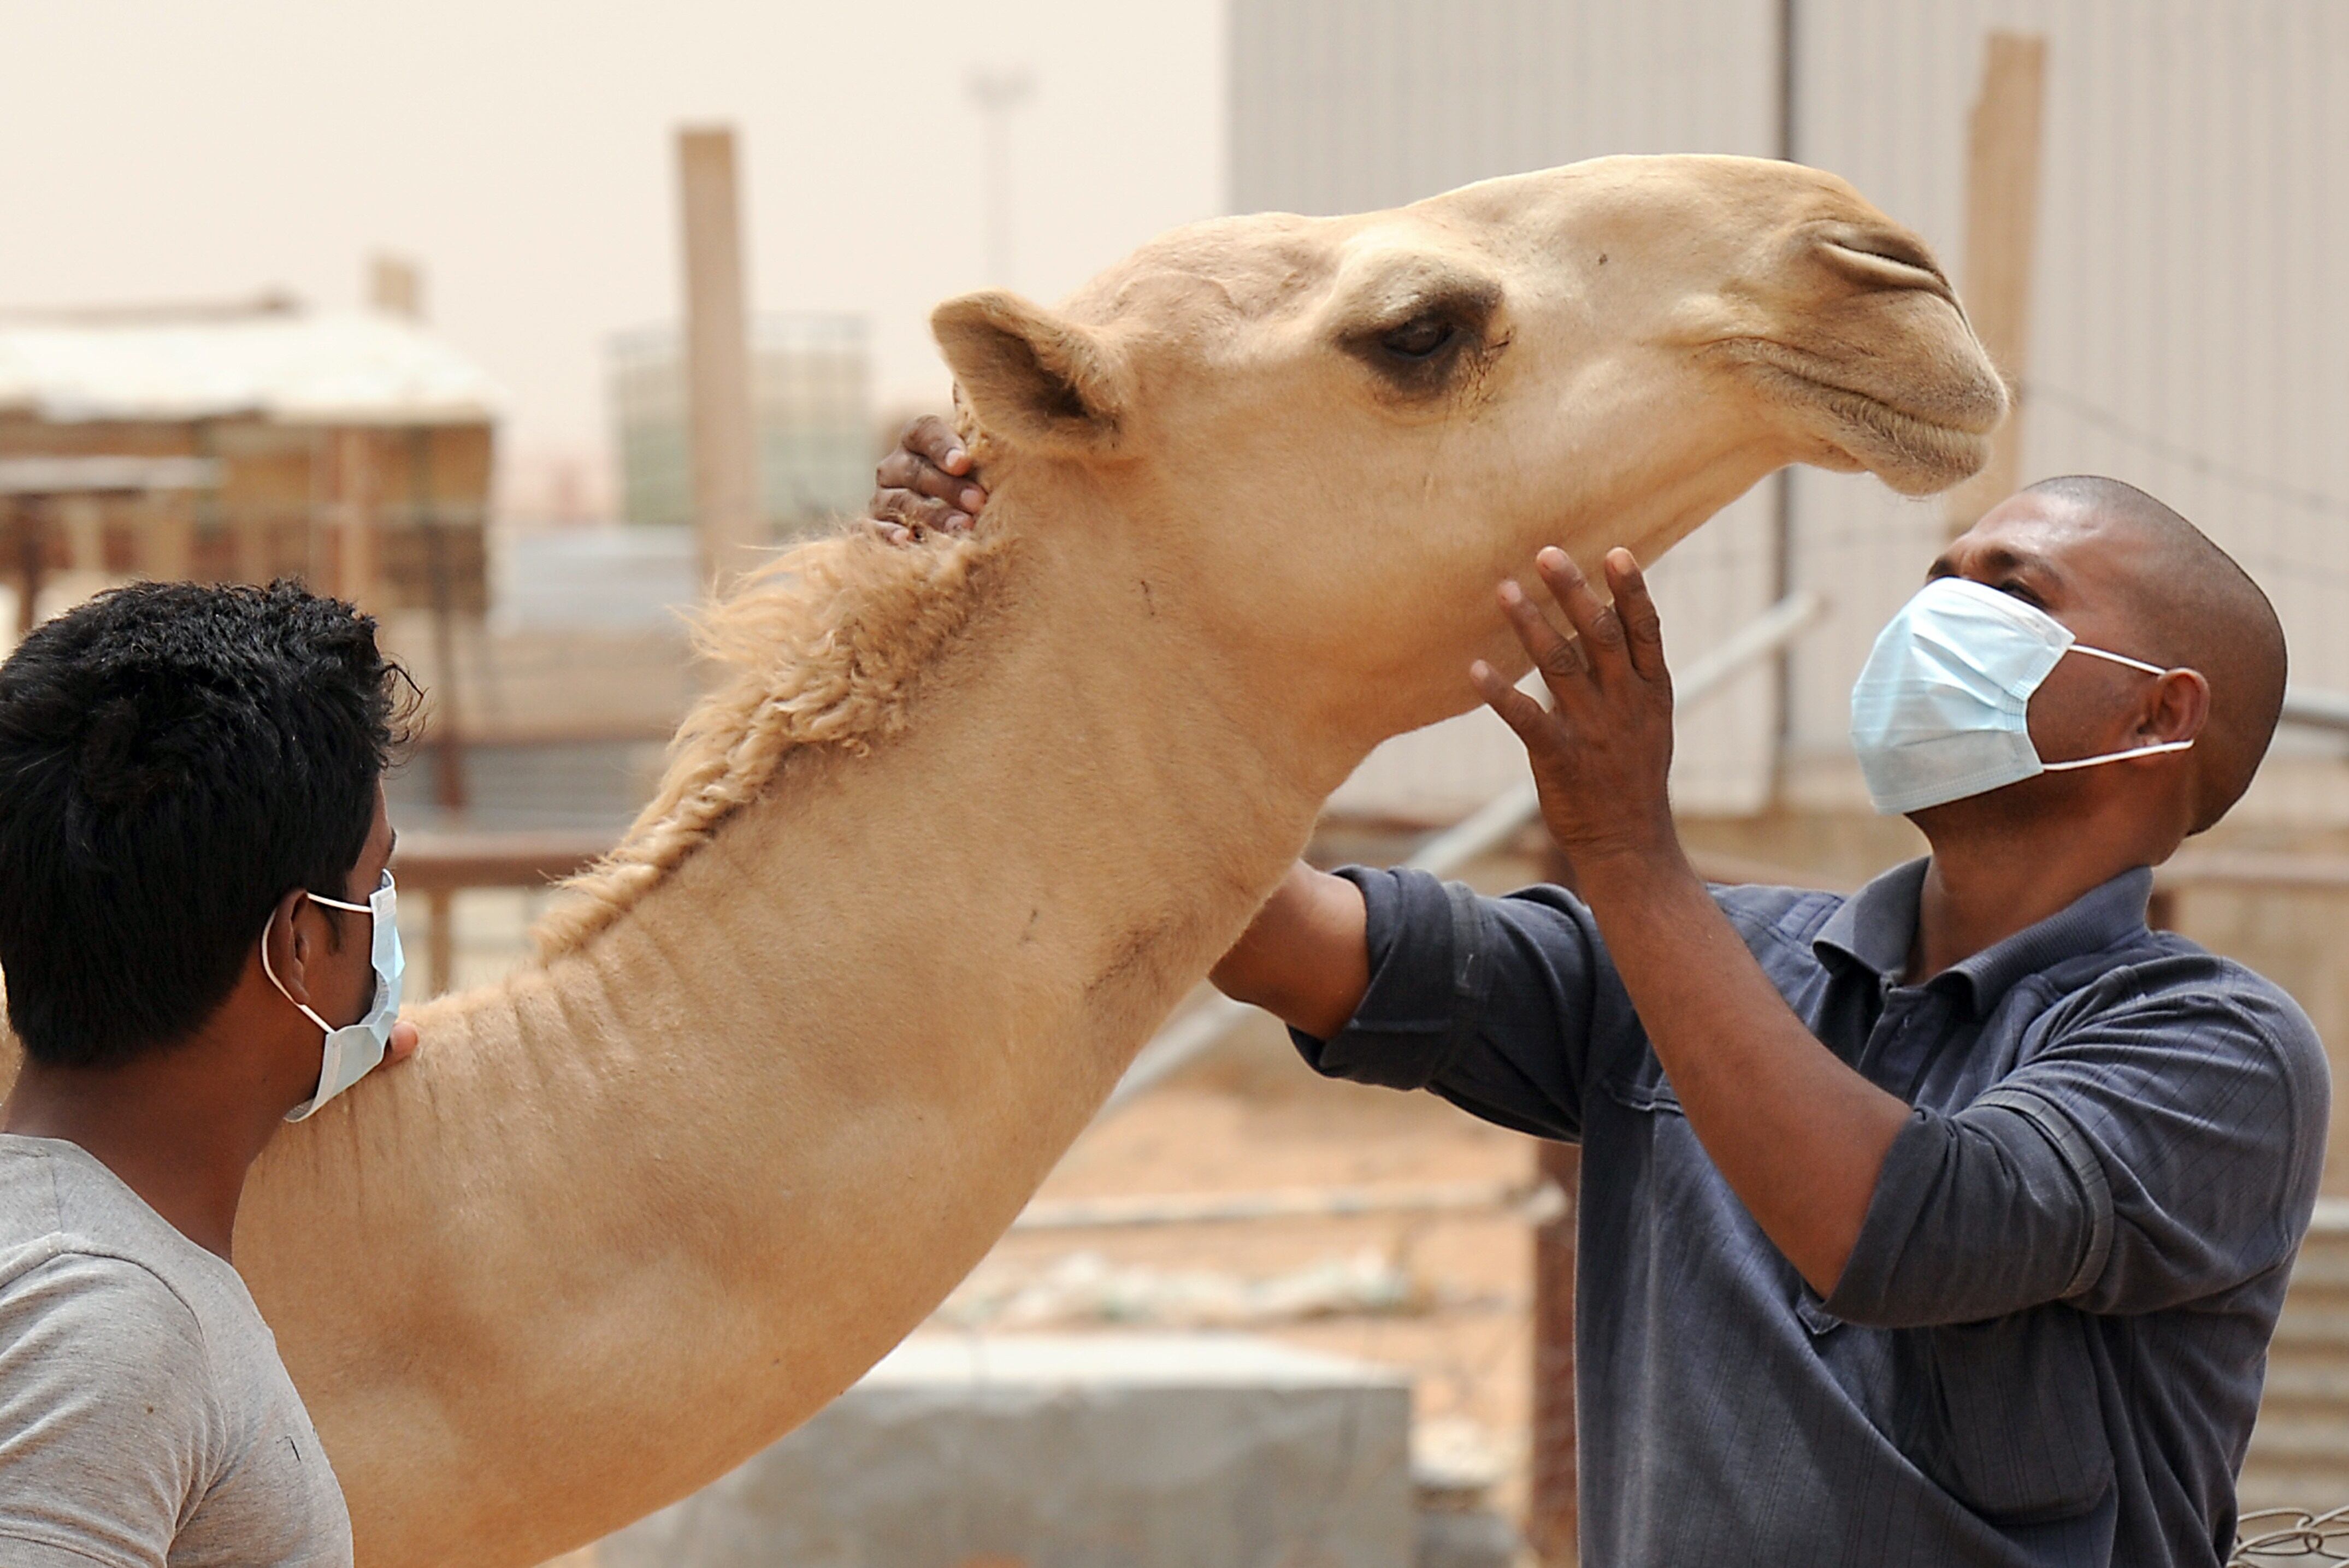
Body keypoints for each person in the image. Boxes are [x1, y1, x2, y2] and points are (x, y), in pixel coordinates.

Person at [878, 425, 2329, 1567]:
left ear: (2156, 710)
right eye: (1937, 580)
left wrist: (1627, 849)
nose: (1939, 615)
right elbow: (1274, 936)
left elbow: (1902, 1229)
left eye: (2009, 589)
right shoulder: (1713, 959)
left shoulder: (2209, 1047)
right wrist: (1019, 641)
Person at [0, 581, 422, 1565]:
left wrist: (272, 1069)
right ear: (303, 944)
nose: (385, 920)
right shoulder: (103, 1321)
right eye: (374, 884)